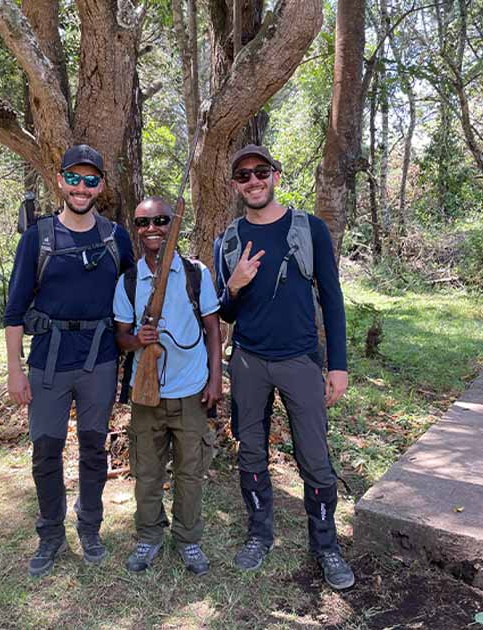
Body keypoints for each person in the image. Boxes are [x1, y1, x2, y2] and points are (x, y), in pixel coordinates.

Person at [213, 144, 354, 589]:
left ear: (275, 175)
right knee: (251, 452)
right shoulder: (229, 239)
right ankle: (259, 535)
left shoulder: (309, 229)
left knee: (314, 457)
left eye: (260, 172)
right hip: (250, 362)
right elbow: (224, 313)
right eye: (243, 176)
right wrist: (233, 286)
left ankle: (326, 545)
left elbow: (331, 299)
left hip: (300, 361)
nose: (253, 181)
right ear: (235, 186)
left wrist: (338, 366)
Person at [3, 145, 135, 578]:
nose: (81, 187)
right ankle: (50, 534)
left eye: (90, 180)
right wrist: (15, 370)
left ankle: (90, 527)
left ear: (101, 186)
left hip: (99, 359)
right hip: (48, 361)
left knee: (95, 448)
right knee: (46, 449)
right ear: (59, 181)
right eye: (73, 179)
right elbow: (14, 309)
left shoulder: (116, 238)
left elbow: (136, 293)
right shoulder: (37, 239)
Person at [113, 198, 222, 575]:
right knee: (147, 472)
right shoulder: (128, 280)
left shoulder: (196, 273)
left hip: (191, 390)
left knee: (190, 472)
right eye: (144, 222)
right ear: (137, 228)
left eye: (160, 220)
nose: (152, 228)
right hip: (147, 395)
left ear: (172, 223)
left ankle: (188, 541)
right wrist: (137, 340)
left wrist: (215, 378)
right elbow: (120, 337)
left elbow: (212, 329)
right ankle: (149, 538)